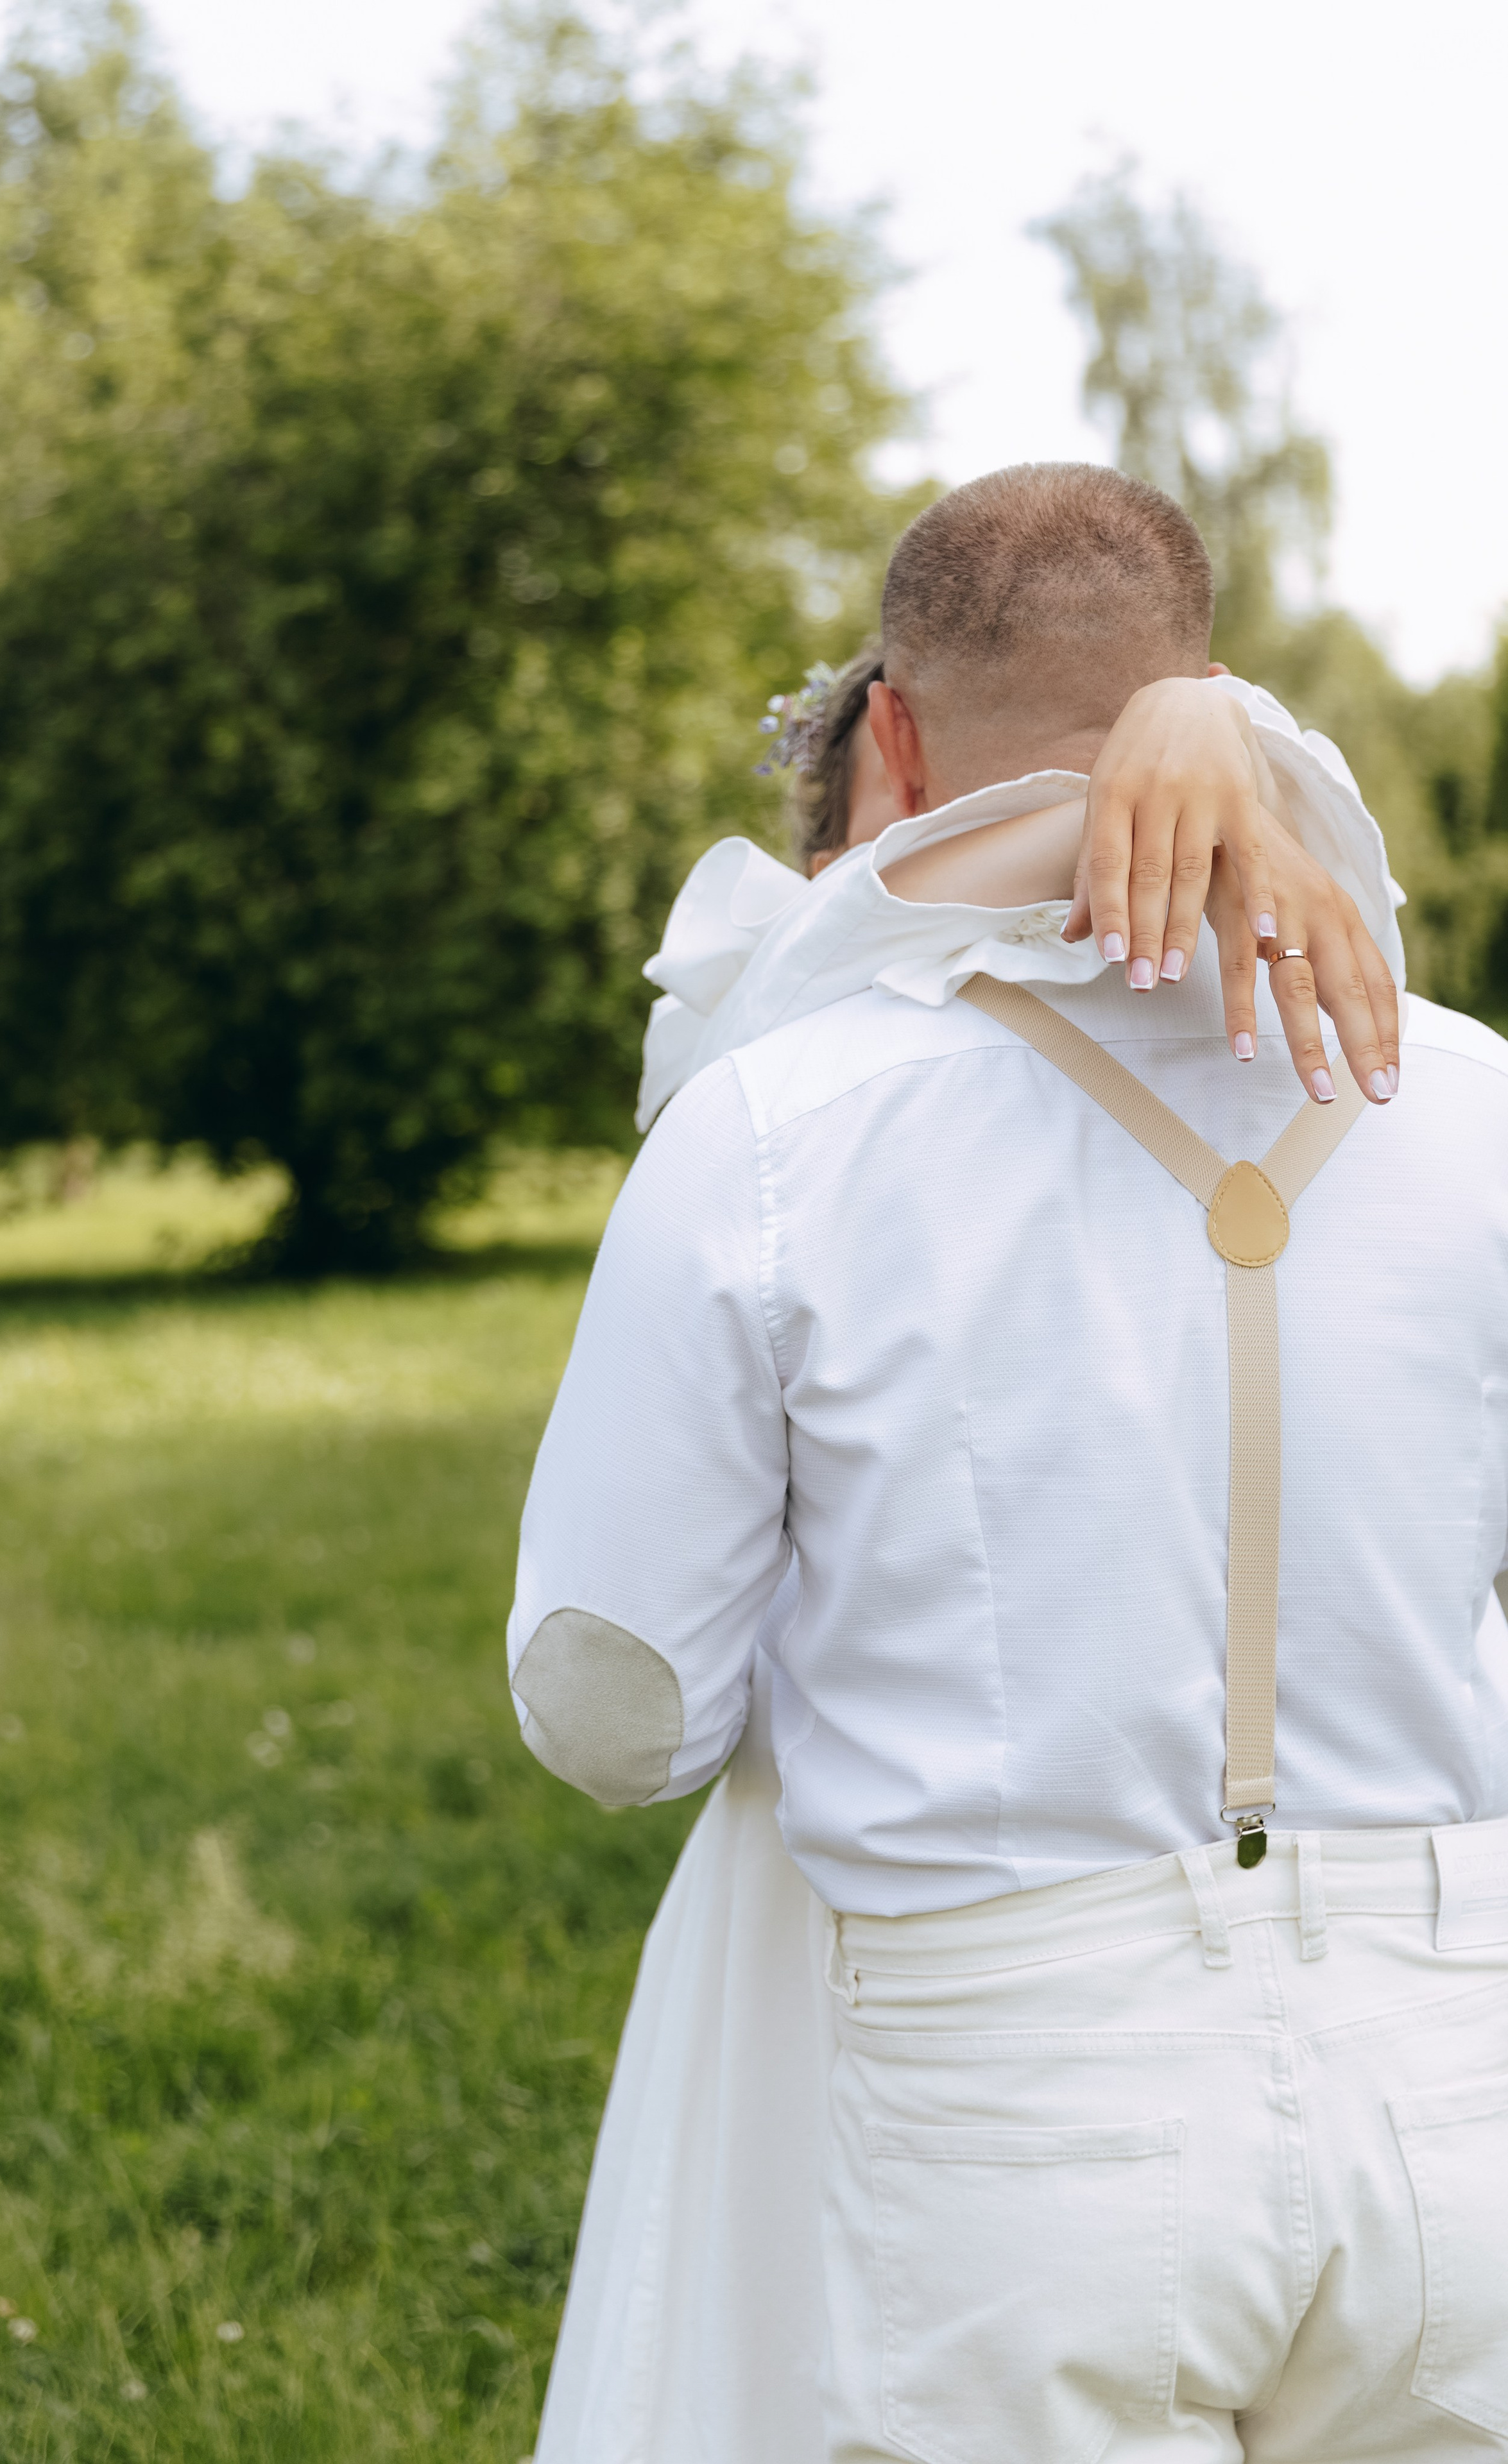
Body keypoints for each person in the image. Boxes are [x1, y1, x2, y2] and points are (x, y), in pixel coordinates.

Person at [517, 463, 1508, 2463]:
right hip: (1462, 2069)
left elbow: (614, 1710)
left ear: (887, 728)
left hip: (1026, 2108)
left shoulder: (781, 1125)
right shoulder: (1478, 1099)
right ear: (1205, 701)